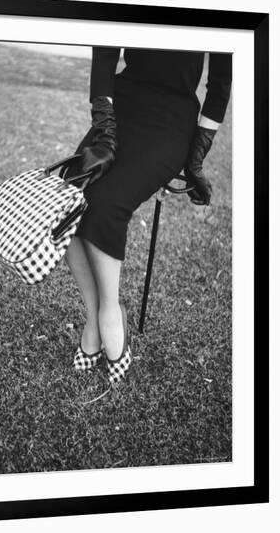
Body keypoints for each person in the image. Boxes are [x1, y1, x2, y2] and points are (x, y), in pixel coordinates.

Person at [63, 46, 232, 385]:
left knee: (107, 205)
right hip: (122, 105)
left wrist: (198, 150)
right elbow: (106, 48)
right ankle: (95, 318)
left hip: (172, 118)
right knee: (68, 195)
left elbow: (220, 81)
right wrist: (104, 121)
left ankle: (111, 313)